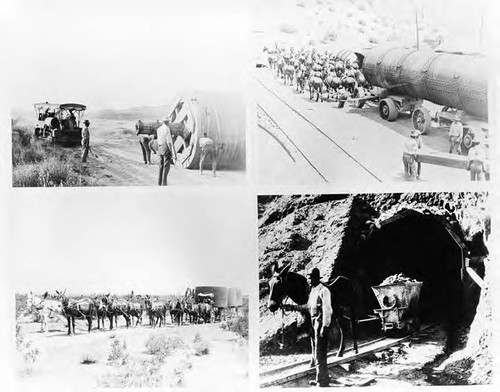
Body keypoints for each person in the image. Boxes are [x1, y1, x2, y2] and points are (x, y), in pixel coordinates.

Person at [307, 268, 333, 388]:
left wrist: (325, 326)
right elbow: (307, 306)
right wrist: (291, 307)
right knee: (317, 351)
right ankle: (321, 377)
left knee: (320, 352)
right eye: (309, 277)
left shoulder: (324, 290)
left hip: (320, 321)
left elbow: (327, 310)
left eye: (311, 277)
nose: (309, 280)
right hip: (314, 321)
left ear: (317, 278)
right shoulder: (313, 291)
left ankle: (322, 381)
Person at [156, 119, 175, 186]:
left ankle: (159, 183)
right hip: (165, 147)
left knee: (160, 166)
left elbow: (158, 140)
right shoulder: (167, 129)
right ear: (168, 122)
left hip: (160, 148)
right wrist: (171, 151)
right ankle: (164, 184)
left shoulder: (158, 129)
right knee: (166, 167)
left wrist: (159, 149)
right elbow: (169, 141)